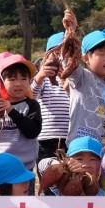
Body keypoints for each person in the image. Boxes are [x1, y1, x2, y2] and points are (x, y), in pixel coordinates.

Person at [57, 10, 105, 145]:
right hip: (81, 148)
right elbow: (68, 58)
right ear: (86, 57)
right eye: (101, 53)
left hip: (104, 150)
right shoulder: (81, 76)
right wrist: (71, 30)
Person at [0, 53, 43, 171]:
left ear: (30, 81)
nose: (18, 83)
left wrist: (11, 111)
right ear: (2, 82)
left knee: (23, 190)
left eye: (23, 78)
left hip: (23, 167)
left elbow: (32, 132)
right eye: (12, 79)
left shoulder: (32, 105)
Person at [32, 33, 71, 161]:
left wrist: (70, 87)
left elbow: (82, 103)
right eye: (56, 53)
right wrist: (40, 76)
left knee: (69, 176)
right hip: (46, 138)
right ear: (47, 57)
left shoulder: (74, 80)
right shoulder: (44, 80)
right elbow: (31, 96)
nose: (61, 58)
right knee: (49, 172)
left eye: (65, 54)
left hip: (70, 137)